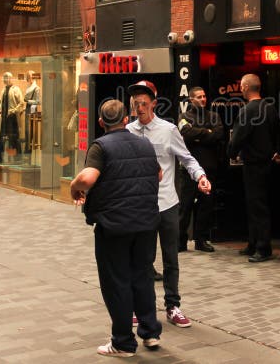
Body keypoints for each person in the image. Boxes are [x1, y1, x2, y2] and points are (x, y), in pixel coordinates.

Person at [70, 98, 163, 357]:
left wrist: (73, 188)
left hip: (115, 226)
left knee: (117, 282)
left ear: (101, 122)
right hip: (145, 223)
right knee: (142, 276)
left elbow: (88, 178)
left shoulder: (101, 146)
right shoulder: (144, 143)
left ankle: (123, 342)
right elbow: (158, 175)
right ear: (126, 119)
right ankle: (151, 332)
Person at [126, 80, 211, 328]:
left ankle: (173, 306)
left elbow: (187, 158)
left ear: (153, 104)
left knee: (170, 258)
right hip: (141, 206)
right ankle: (139, 307)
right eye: (135, 103)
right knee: (142, 259)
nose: (139, 107)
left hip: (167, 204)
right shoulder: (128, 131)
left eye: (143, 103)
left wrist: (201, 177)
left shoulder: (168, 130)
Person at [227, 74, 280, 263]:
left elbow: (238, 137)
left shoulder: (247, 111)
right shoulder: (269, 108)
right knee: (259, 204)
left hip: (253, 164)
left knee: (256, 206)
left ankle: (263, 247)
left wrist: (231, 152)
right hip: (267, 163)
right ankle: (253, 243)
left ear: (244, 87)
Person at [178, 86, 223, 253]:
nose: (203, 99)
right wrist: (206, 133)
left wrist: (198, 135)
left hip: (209, 168)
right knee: (185, 205)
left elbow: (218, 135)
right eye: (199, 97)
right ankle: (180, 240)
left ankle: (201, 240)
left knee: (206, 206)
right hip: (188, 170)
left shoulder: (214, 116)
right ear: (191, 100)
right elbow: (186, 133)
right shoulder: (184, 116)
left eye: (204, 96)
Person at [0, 72, 24, 162]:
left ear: (11, 78)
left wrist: (13, 111)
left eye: (6, 77)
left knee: (13, 139)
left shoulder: (16, 89)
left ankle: (17, 160)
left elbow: (21, 103)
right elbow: (0, 101)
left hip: (12, 118)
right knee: (2, 139)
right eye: (4, 78)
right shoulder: (3, 90)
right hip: (4, 118)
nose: (5, 79)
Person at [24, 71, 41, 154]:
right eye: (27, 76)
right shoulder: (29, 87)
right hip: (28, 109)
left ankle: (29, 151)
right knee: (27, 131)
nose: (28, 78)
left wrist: (28, 101)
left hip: (32, 109)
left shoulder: (36, 88)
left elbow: (38, 101)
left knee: (30, 131)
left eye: (29, 76)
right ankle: (27, 151)